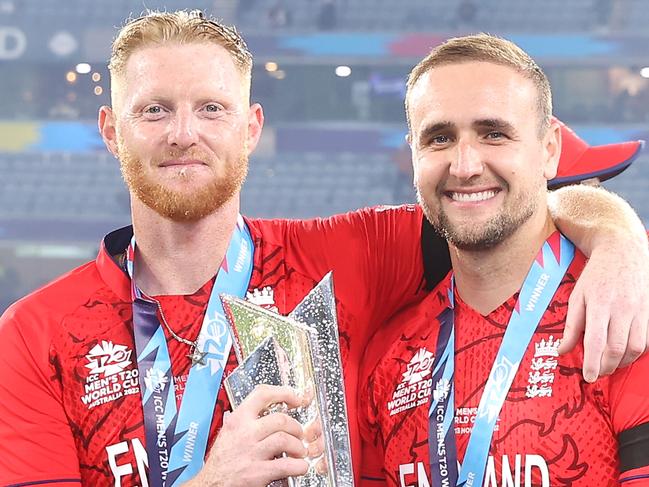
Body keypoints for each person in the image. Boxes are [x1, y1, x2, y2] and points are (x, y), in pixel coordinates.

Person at [0, 11, 647, 487]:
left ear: (250, 127)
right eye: (153, 111)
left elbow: (491, 208)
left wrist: (619, 239)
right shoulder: (37, 336)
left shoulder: (346, 257)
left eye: (211, 108)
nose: (183, 134)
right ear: (110, 130)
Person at [358, 34, 649, 487]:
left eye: (494, 133)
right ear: (413, 154)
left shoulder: (623, 317)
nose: (465, 165)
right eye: (439, 138)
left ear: (550, 148)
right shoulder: (388, 356)